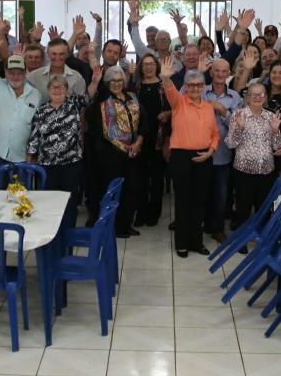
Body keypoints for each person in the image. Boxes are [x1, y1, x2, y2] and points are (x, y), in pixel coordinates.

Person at [161, 57, 220, 258]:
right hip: (181, 158)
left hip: (205, 157)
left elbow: (215, 134)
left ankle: (196, 242)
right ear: (185, 87)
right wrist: (165, 77)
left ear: (204, 86)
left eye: (199, 85)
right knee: (184, 201)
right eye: (191, 85)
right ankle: (182, 243)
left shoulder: (208, 107)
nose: (195, 88)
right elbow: (169, 88)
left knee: (199, 202)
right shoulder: (178, 103)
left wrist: (211, 150)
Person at [87, 66, 143, 235]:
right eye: (113, 80)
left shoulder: (132, 97)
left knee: (130, 190)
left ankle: (124, 225)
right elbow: (93, 122)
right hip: (109, 155)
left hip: (132, 153)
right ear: (107, 82)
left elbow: (144, 121)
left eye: (120, 80)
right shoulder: (101, 99)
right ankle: (108, 225)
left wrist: (139, 141)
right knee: (110, 191)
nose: (117, 84)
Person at [28, 73, 93, 215]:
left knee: (70, 200)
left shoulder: (74, 103)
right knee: (48, 201)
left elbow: (91, 95)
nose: (57, 90)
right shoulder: (41, 111)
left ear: (67, 89)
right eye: (53, 87)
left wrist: (94, 80)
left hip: (71, 163)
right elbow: (34, 137)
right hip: (47, 165)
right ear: (48, 89)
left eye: (61, 87)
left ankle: (68, 229)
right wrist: (29, 161)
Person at [0, 36, 41, 186]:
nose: (15, 76)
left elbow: (36, 127)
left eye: (19, 72)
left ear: (25, 72)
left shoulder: (36, 94)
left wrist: (32, 154)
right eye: (11, 72)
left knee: (21, 199)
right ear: (5, 72)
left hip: (23, 156)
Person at [226, 83, 281, 227]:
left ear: (265, 98)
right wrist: (240, 128)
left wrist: (276, 131)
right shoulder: (239, 115)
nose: (257, 97)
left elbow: (278, 147)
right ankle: (241, 241)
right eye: (254, 94)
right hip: (244, 172)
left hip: (266, 172)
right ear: (247, 98)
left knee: (263, 210)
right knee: (242, 210)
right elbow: (230, 144)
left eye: (261, 94)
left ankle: (262, 241)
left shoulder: (271, 116)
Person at [203, 58, 243, 241]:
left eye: (224, 71)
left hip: (223, 154)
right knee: (201, 193)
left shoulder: (235, 97)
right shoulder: (200, 91)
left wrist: (223, 111)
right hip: (200, 151)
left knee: (221, 195)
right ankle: (201, 225)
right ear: (211, 73)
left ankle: (217, 228)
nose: (220, 74)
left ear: (229, 74)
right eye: (216, 71)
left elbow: (238, 126)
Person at [131, 53, 169, 227]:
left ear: (157, 66)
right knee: (139, 179)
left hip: (159, 139)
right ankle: (141, 212)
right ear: (141, 68)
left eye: (151, 64)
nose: (148, 67)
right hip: (139, 138)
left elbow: (177, 107)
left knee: (156, 179)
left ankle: (154, 213)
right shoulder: (136, 87)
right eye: (145, 64)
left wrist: (168, 114)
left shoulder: (164, 86)